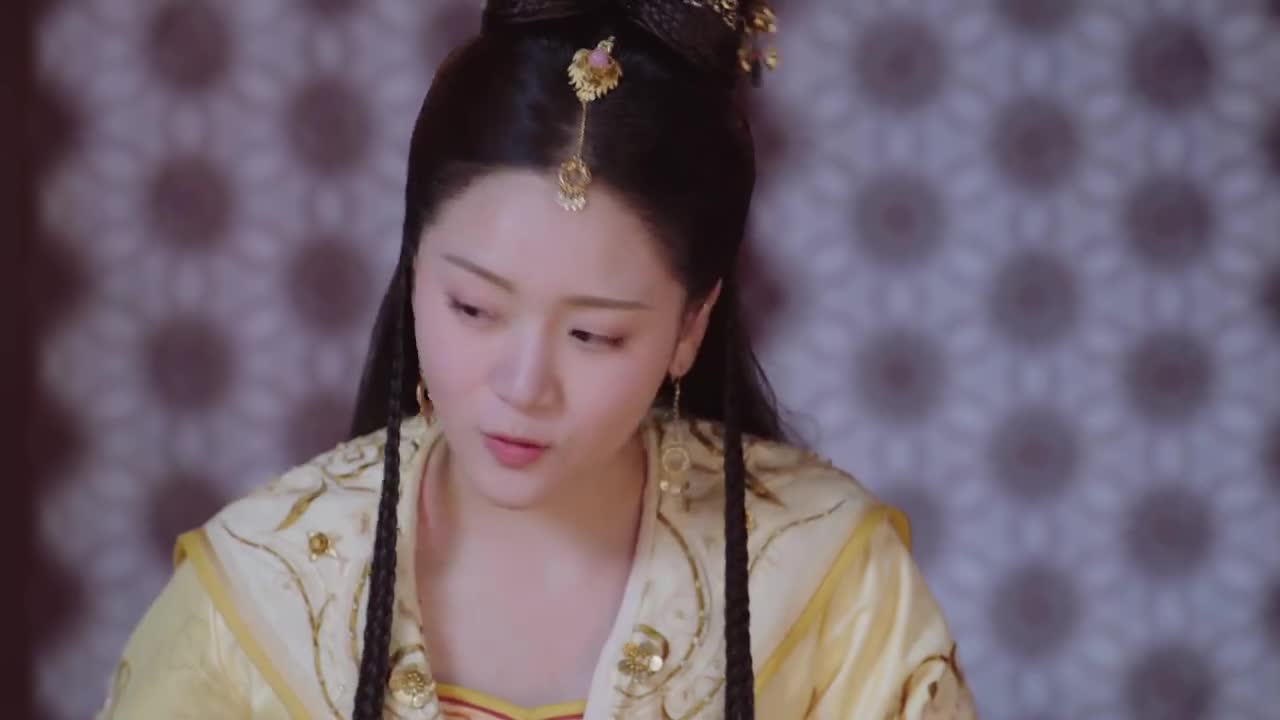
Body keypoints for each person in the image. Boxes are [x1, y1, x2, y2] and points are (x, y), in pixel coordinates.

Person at [97, 1, 977, 718]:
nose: (523, 386)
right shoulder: (262, 592)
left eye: (593, 335)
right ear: (415, 275)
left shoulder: (826, 583)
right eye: (474, 309)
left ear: (691, 325)